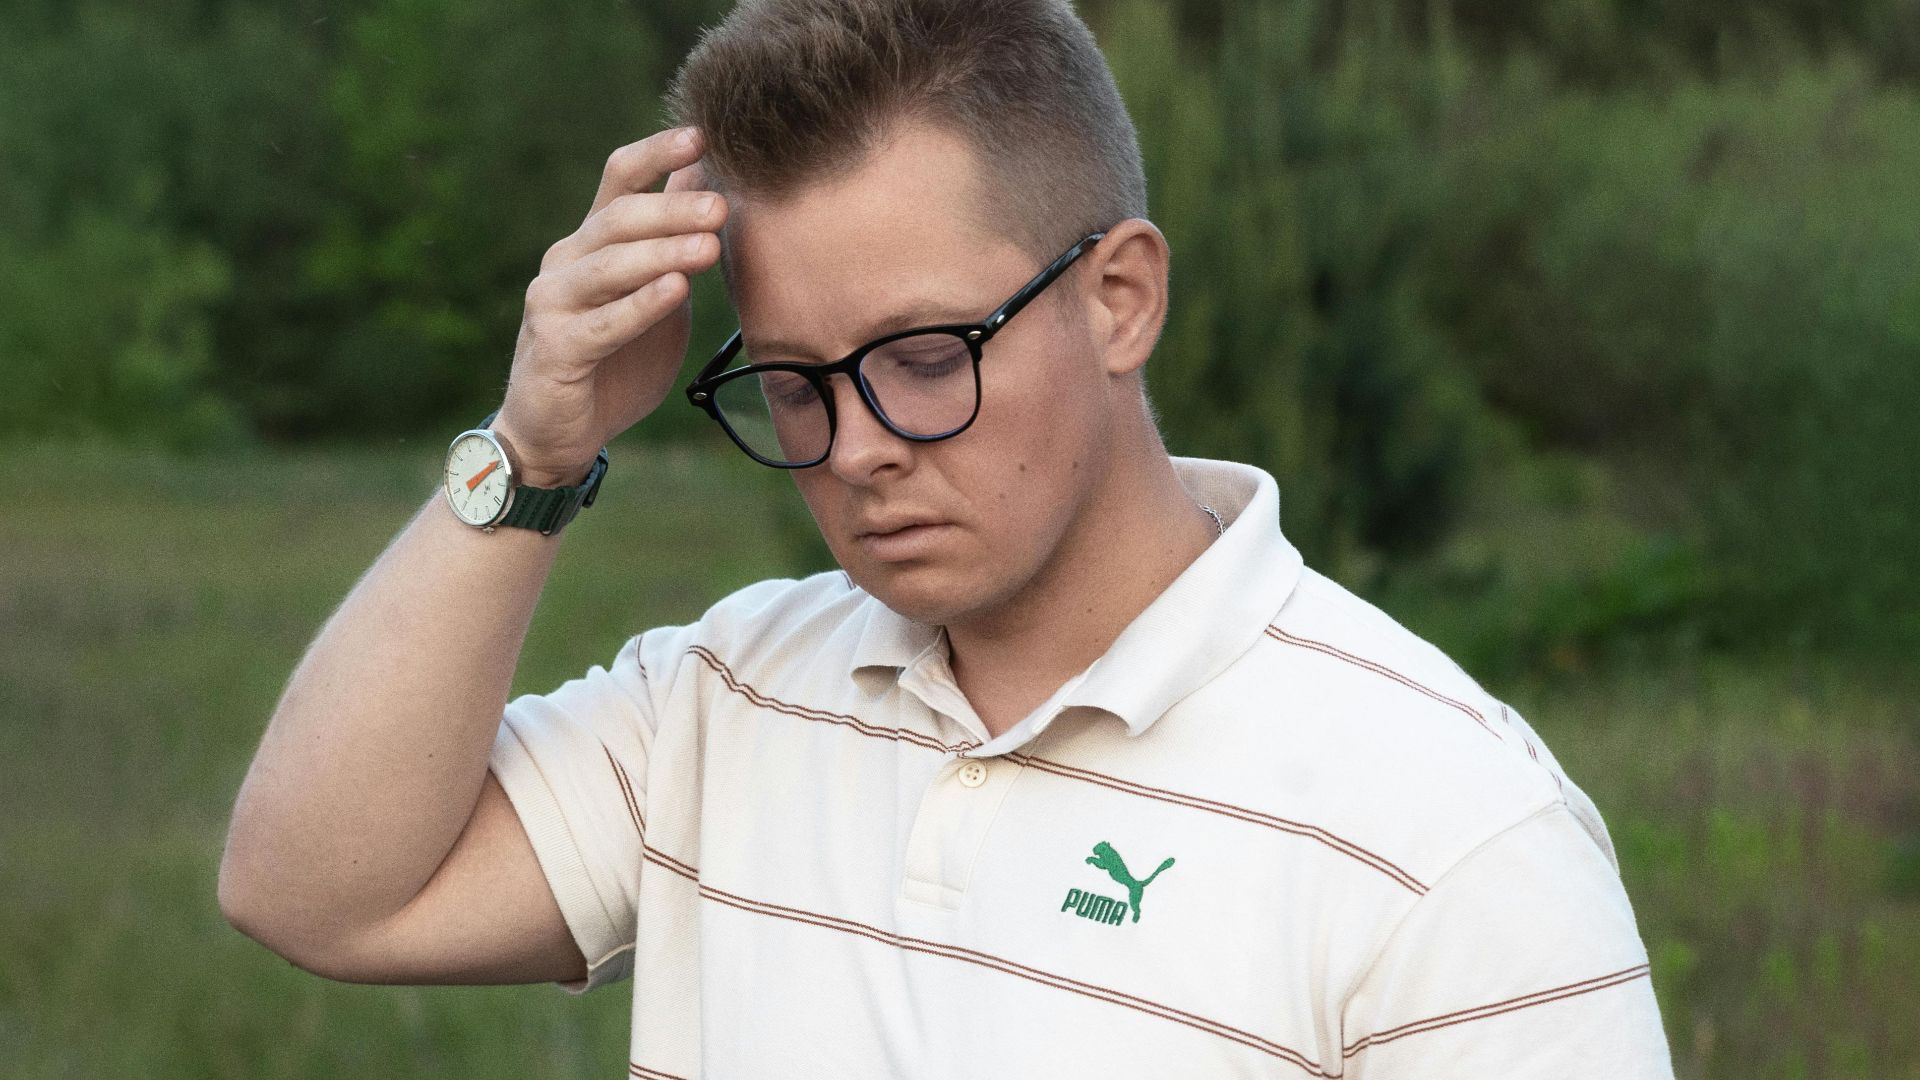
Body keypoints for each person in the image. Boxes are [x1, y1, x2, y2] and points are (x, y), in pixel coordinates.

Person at [218, 0, 1677, 1075]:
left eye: (925, 356)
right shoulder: (725, 699)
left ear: (1121, 298)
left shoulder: (1452, 836)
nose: (854, 450)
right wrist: (535, 456)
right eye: (792, 383)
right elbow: (316, 896)